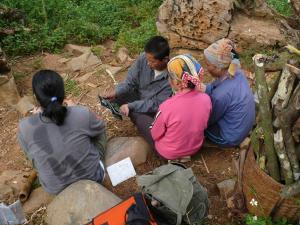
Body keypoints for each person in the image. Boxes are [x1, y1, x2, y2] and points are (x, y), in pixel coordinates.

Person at [18, 70, 106, 195]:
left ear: (36, 96)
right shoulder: (81, 113)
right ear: (63, 92)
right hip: (94, 178)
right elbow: (101, 126)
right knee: (97, 132)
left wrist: (38, 119)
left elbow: (30, 154)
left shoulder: (24, 126)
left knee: (33, 152)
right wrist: (75, 108)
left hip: (56, 190)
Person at [103, 36, 172, 141]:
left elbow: (155, 104)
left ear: (165, 59)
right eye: (147, 60)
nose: (148, 64)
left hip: (152, 109)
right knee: (117, 96)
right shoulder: (143, 58)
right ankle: (134, 113)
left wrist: (131, 106)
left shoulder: (171, 77)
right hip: (138, 96)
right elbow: (130, 81)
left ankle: (144, 124)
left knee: (141, 117)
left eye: (153, 62)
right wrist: (117, 91)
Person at [150, 54, 212, 160]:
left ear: (176, 82)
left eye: (169, 76)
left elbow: (155, 135)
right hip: (194, 148)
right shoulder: (206, 99)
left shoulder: (166, 106)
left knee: (142, 120)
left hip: (169, 153)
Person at [202, 38, 255, 147]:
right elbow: (215, 85)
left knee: (198, 125)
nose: (206, 68)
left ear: (218, 67)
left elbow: (209, 119)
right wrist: (204, 88)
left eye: (208, 65)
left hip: (230, 137)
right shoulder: (237, 72)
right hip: (243, 127)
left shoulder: (220, 96)